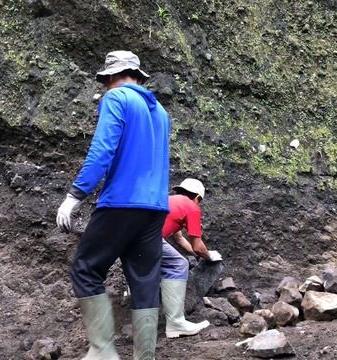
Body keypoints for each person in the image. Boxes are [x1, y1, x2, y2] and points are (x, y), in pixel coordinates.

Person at [56, 50, 170, 360]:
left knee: (86, 269)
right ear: (138, 75)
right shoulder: (160, 111)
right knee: (145, 282)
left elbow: (102, 150)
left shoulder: (116, 98)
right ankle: (144, 356)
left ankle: (103, 352)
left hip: (121, 202)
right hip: (156, 207)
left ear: (110, 77)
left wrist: (75, 196)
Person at [160, 178, 218, 338]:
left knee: (150, 269)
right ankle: (176, 323)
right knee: (178, 264)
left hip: (128, 237)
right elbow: (198, 245)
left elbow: (179, 239)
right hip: (147, 238)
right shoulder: (192, 207)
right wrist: (209, 256)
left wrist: (196, 255)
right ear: (198, 198)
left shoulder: (169, 201)